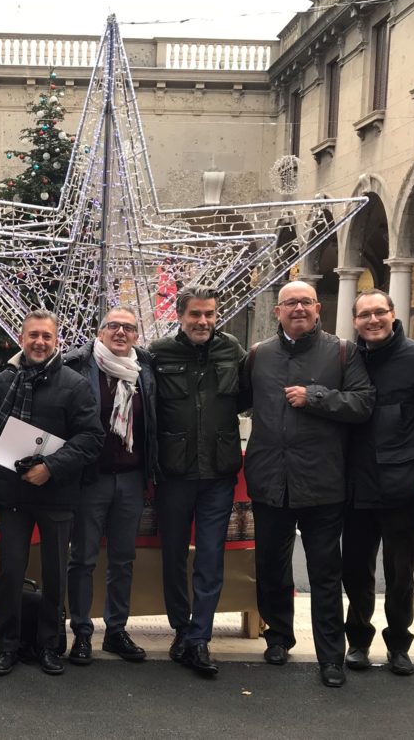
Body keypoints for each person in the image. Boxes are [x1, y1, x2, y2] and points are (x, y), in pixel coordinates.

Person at [240, 280, 374, 688]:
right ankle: (278, 635)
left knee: (324, 573)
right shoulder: (259, 355)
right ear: (277, 311)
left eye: (305, 302)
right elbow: (238, 401)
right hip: (270, 480)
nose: (297, 308)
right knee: (271, 566)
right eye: (289, 303)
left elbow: (364, 403)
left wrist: (316, 396)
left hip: (322, 482)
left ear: (318, 309)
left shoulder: (342, 351)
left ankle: (330, 656)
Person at [341, 290, 414, 677]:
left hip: (403, 487)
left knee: (400, 572)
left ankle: (398, 644)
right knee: (355, 569)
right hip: (355, 486)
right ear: (355, 321)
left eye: (379, 312)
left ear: (393, 314)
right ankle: (357, 641)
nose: (372, 320)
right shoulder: (348, 358)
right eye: (364, 315)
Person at [0, 310, 103, 677]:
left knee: (56, 575)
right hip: (13, 494)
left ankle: (50, 645)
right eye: (33, 335)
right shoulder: (3, 381)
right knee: (9, 572)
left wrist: (50, 467)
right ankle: (8, 645)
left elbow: (91, 438)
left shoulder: (75, 384)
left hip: (56, 493)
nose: (39, 342)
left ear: (57, 341)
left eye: (47, 337)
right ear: (21, 338)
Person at [150, 286, 245, 676]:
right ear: (181, 315)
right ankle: (181, 628)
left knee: (210, 557)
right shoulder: (158, 353)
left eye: (209, 314)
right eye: (195, 315)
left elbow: (250, 395)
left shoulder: (233, 351)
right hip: (174, 473)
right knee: (173, 556)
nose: (203, 321)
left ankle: (199, 638)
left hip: (219, 474)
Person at [63, 306, 157, 665]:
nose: (121, 332)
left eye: (129, 328)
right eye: (113, 326)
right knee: (83, 558)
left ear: (136, 336)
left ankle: (116, 631)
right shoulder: (78, 366)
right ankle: (82, 632)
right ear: (100, 332)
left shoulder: (146, 371)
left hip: (132, 479)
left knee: (123, 559)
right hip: (91, 479)